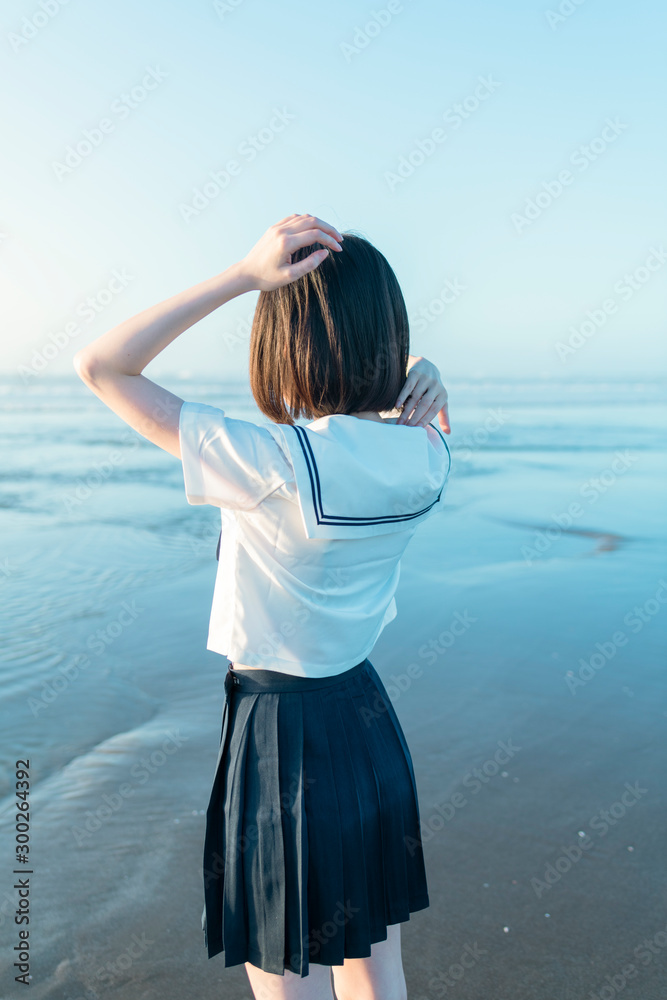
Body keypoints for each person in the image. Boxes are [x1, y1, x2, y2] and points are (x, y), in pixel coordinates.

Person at [73, 213, 452, 1000]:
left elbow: (103, 365)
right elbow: (396, 397)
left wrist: (242, 274)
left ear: (289, 341)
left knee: (288, 977)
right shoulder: (425, 456)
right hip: (366, 723)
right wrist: (424, 368)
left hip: (281, 737)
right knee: (376, 969)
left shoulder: (272, 463)